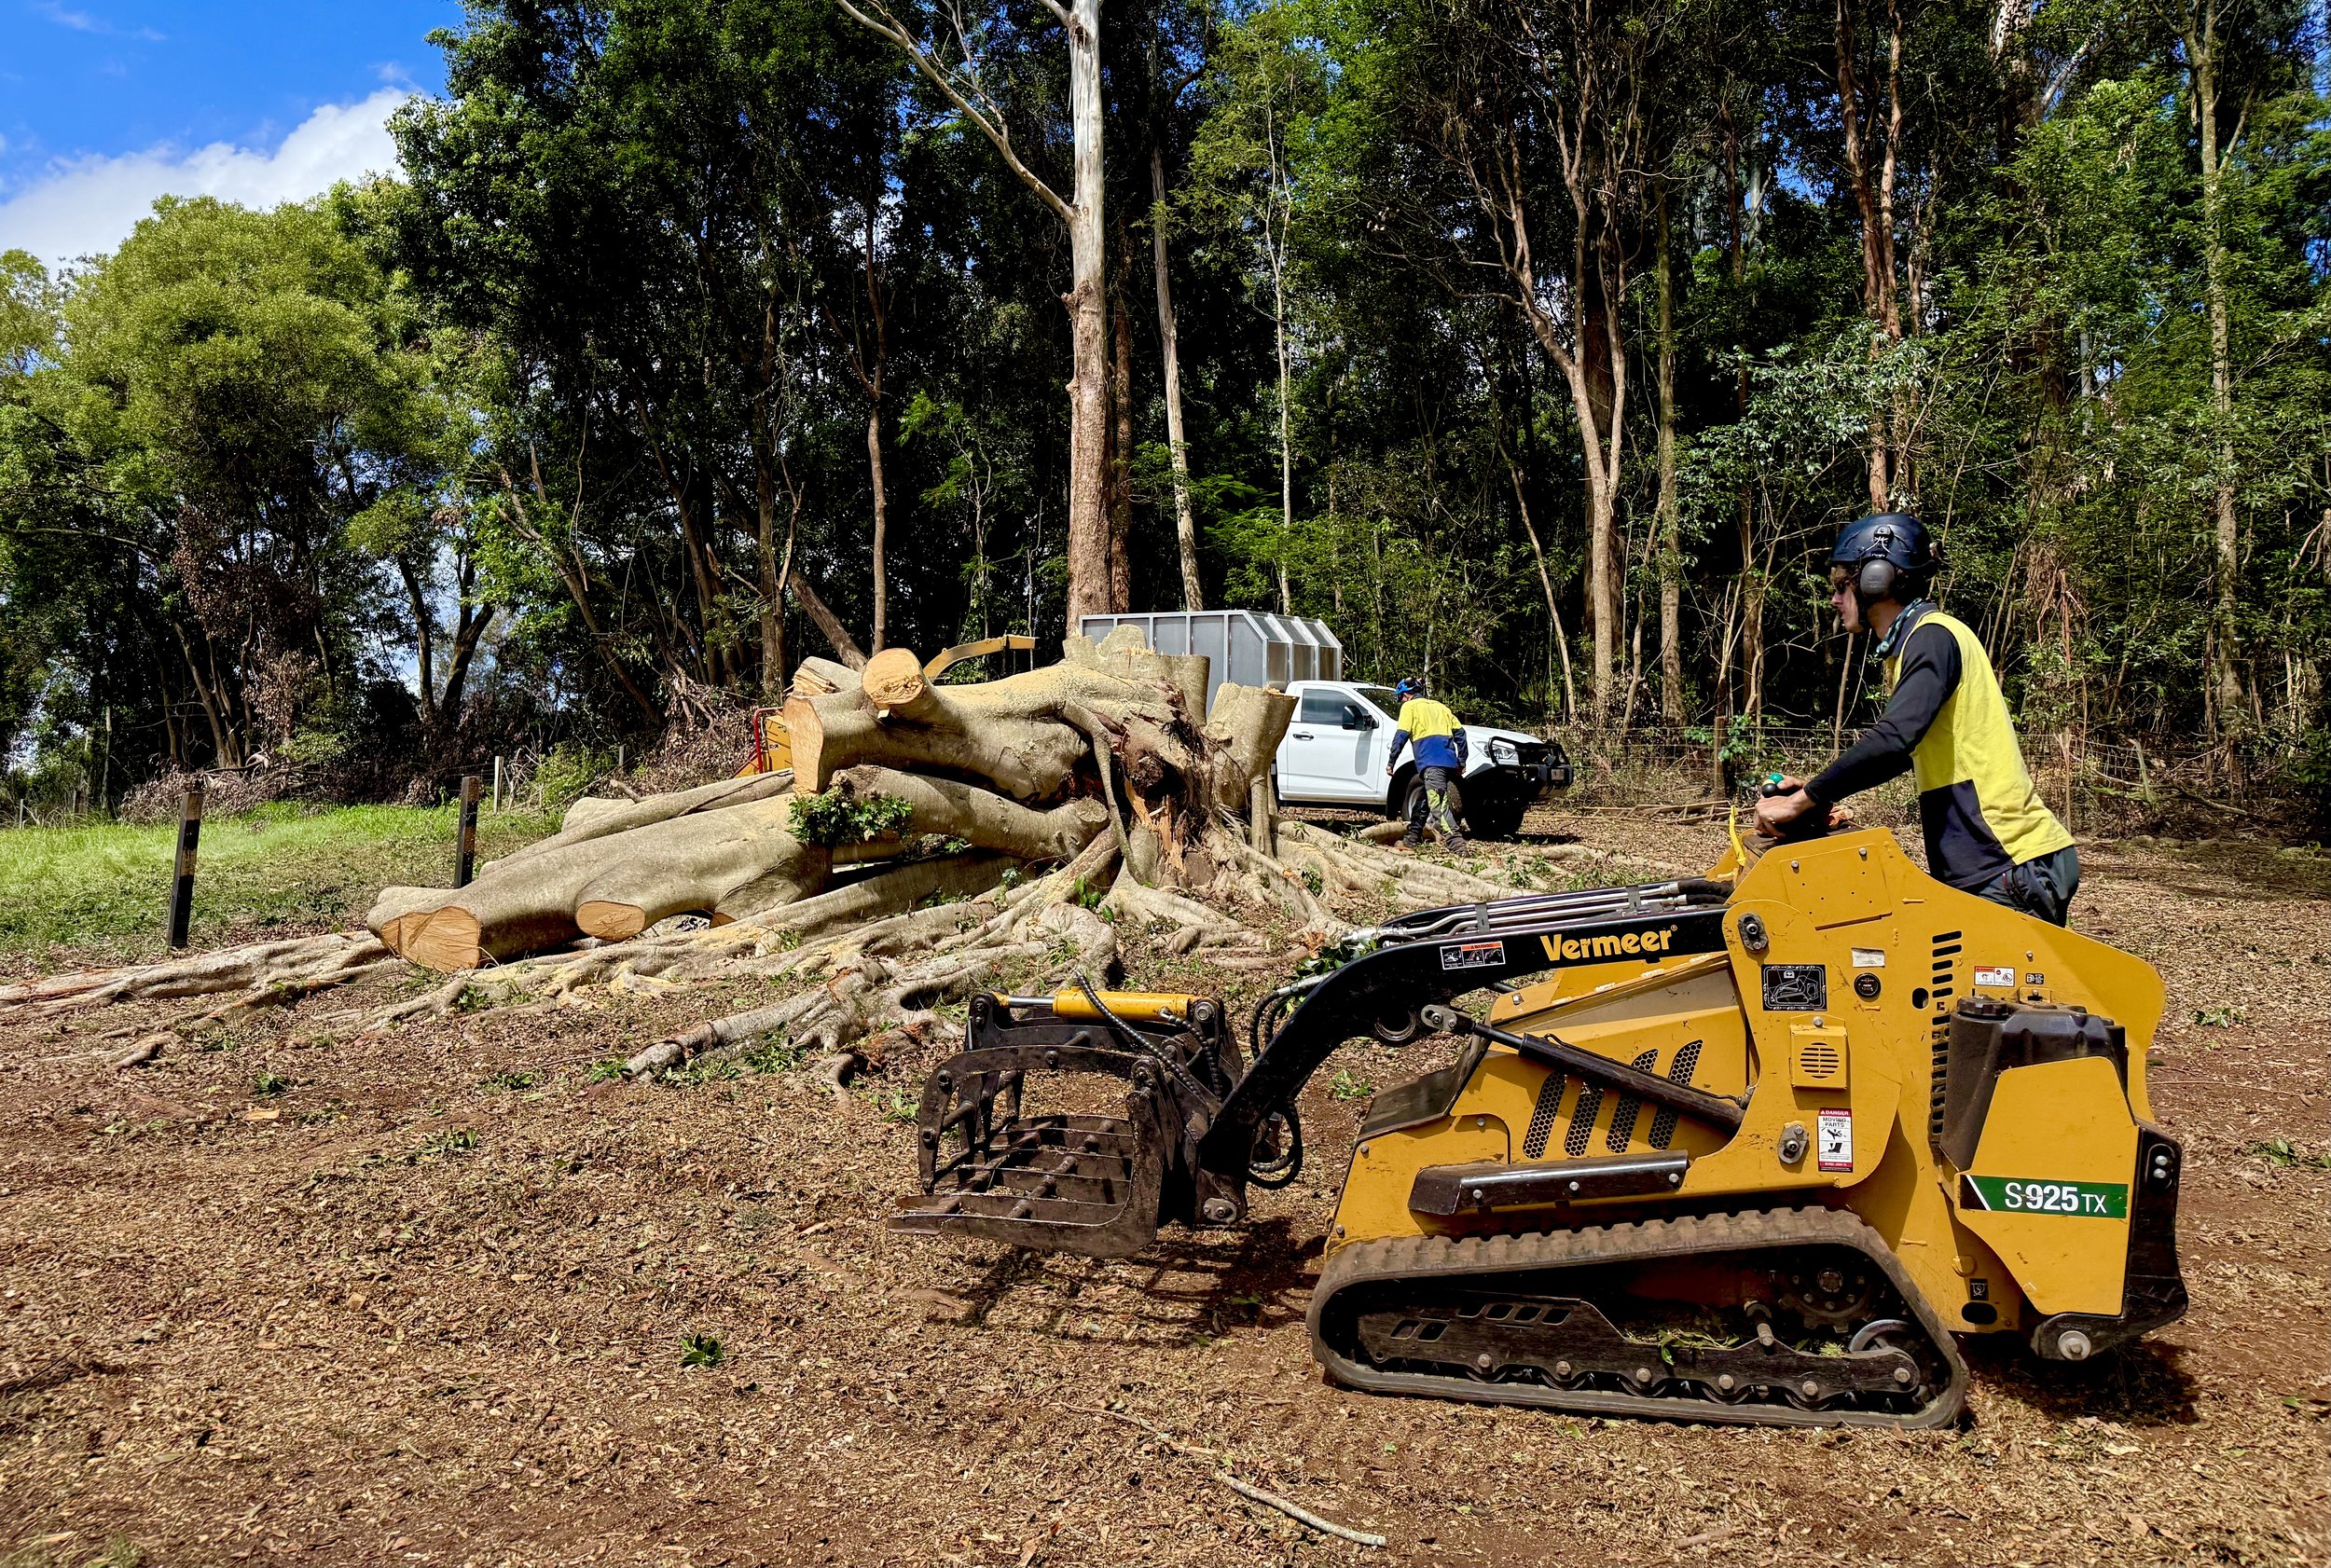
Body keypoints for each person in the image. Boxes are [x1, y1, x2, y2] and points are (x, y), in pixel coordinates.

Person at [1755, 512, 2081, 925]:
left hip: (2007, 863)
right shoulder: (1917, 644)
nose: (1835, 600)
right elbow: (1900, 750)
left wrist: (1803, 801)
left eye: (1841, 586)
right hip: (1997, 865)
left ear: (1878, 579)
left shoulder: (1932, 636)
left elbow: (1894, 741)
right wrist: (1823, 791)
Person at [1385, 677, 1470, 853]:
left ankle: (1458, 846)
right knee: (1424, 801)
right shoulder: (1441, 707)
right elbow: (1461, 734)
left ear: (1406, 695)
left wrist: (1392, 761)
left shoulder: (1409, 707)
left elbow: (1401, 735)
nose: (1401, 702)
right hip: (1448, 763)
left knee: (1437, 806)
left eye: (1400, 698)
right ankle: (1411, 839)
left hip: (1431, 764)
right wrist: (1461, 760)